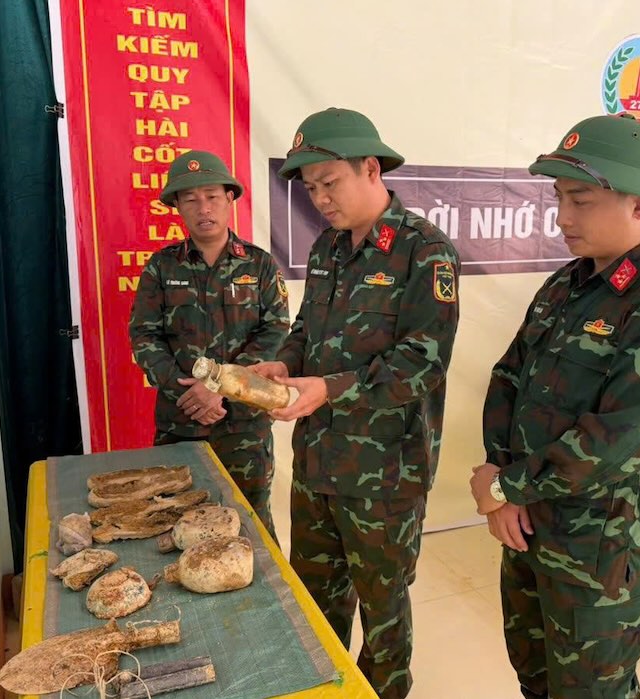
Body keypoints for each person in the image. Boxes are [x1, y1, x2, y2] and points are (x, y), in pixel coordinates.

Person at [469, 114, 640, 699]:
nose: (562, 217)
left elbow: (623, 440)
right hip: (527, 528)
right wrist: (502, 482)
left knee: (591, 690)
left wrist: (509, 485)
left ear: (639, 202)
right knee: (535, 675)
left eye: (579, 199)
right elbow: (508, 381)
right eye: (559, 198)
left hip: (597, 552)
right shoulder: (566, 286)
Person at [251, 107, 460, 699]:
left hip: (384, 475)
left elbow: (423, 361)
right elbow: (305, 331)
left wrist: (330, 387)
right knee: (315, 601)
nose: (319, 198)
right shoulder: (327, 249)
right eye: (310, 187)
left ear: (371, 168)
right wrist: (285, 363)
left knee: (383, 612)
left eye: (330, 182)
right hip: (317, 460)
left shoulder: (425, 251)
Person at [129, 150, 290, 539]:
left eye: (213, 196)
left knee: (251, 525)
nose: (204, 207)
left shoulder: (260, 265)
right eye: (191, 199)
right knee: (172, 527)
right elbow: (144, 336)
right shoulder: (161, 267)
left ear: (230, 199)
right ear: (178, 207)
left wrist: (218, 387)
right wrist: (187, 393)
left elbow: (276, 332)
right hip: (179, 422)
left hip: (244, 426)